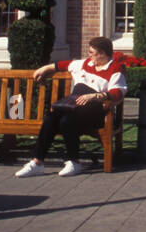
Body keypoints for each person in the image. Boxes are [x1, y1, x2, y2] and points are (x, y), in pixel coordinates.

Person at [15, 36, 127, 177]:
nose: (89, 55)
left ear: (102, 53)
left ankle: (74, 162)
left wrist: (96, 96)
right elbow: (64, 65)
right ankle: (37, 163)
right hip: (74, 106)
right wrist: (45, 68)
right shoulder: (85, 63)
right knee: (51, 118)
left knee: (66, 120)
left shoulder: (115, 69)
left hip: (96, 111)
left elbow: (118, 93)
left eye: (92, 52)